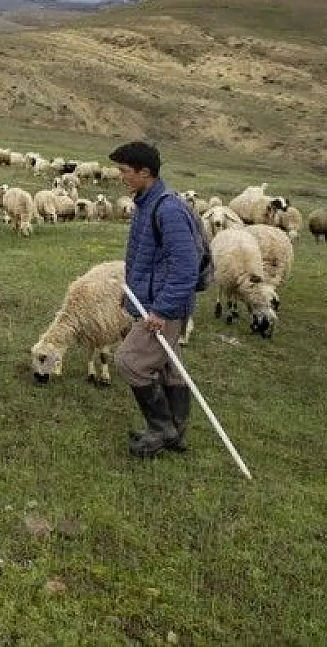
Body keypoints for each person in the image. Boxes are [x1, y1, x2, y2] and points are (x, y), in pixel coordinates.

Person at [108, 140, 203, 459]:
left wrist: (161, 309)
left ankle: (160, 430)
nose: (120, 176)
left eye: (124, 171)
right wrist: (131, 288)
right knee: (168, 368)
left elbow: (185, 267)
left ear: (144, 172)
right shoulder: (146, 204)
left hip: (164, 307)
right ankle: (176, 432)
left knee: (130, 361)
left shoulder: (169, 210)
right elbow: (145, 256)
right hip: (150, 300)